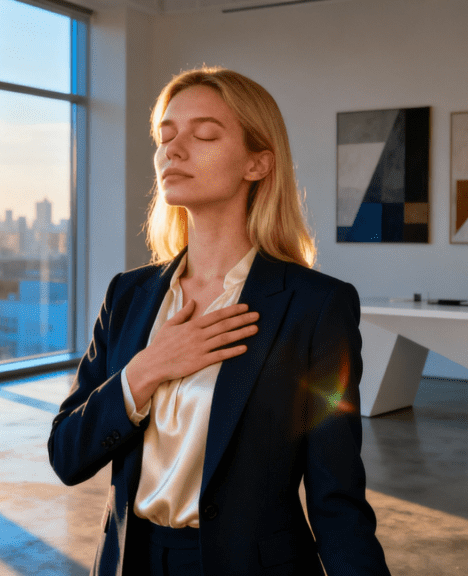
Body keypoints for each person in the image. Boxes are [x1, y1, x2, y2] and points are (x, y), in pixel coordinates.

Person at [48, 67, 391, 576]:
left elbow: (336, 499)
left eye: (204, 134)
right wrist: (148, 369)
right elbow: (67, 455)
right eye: (165, 136)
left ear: (258, 163)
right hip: (131, 562)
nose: (174, 149)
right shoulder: (128, 296)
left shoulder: (316, 308)